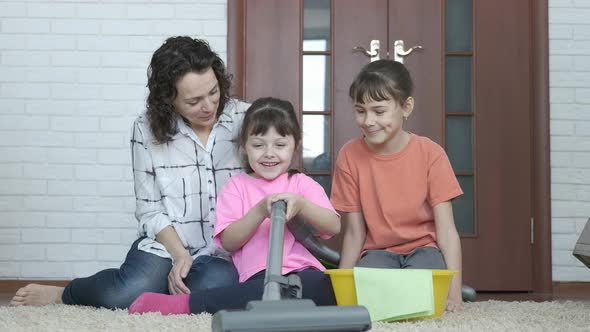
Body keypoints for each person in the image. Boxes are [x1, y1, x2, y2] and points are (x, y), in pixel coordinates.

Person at [10, 36, 249, 309]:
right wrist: (180, 256)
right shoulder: (146, 129)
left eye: (213, 92)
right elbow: (150, 210)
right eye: (193, 101)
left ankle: (158, 294)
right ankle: (67, 293)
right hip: (166, 246)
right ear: (168, 99)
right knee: (125, 293)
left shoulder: (246, 118)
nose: (208, 106)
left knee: (213, 289)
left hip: (219, 252)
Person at [128, 97, 339, 315]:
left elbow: (332, 227)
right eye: (258, 145)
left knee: (325, 288)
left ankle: (285, 305)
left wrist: (302, 205)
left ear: (296, 145)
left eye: (280, 145)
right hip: (259, 277)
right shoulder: (237, 186)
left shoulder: (300, 183)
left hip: (303, 271)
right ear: (244, 146)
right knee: (250, 294)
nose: (269, 153)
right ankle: (183, 304)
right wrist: (258, 211)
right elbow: (228, 242)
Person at [331, 59, 465, 312]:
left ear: (406, 107)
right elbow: (354, 232)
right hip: (378, 253)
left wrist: (454, 295)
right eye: (360, 111)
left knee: (419, 291)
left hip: (424, 250)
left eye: (379, 111)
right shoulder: (349, 155)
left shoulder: (431, 153)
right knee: (371, 296)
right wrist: (345, 294)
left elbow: (447, 231)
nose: (369, 121)